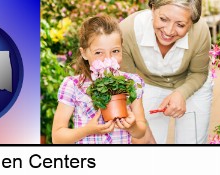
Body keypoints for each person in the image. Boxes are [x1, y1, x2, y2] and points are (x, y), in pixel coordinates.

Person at [120, 0, 213, 144]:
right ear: (153, 9)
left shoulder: (200, 31)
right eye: (163, 19)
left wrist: (181, 93)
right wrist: (140, 122)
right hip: (145, 85)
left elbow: (198, 73)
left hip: (192, 83)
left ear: (191, 23)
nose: (169, 31)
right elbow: (128, 81)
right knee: (148, 140)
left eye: (180, 25)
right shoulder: (127, 31)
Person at [52, 15, 154, 144]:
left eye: (115, 51)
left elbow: (141, 131)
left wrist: (132, 126)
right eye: (99, 52)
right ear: (84, 53)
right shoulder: (73, 85)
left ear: (122, 49)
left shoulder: (132, 82)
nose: (108, 59)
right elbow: (57, 138)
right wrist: (88, 130)